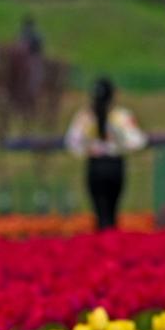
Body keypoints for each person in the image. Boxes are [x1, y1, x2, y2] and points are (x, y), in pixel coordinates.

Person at [64, 78, 147, 231]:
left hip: (96, 165)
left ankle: (103, 239)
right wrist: (119, 145)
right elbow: (138, 141)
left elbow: (72, 142)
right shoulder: (121, 116)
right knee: (112, 209)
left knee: (100, 210)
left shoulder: (85, 117)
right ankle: (110, 239)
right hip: (114, 164)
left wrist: (88, 149)